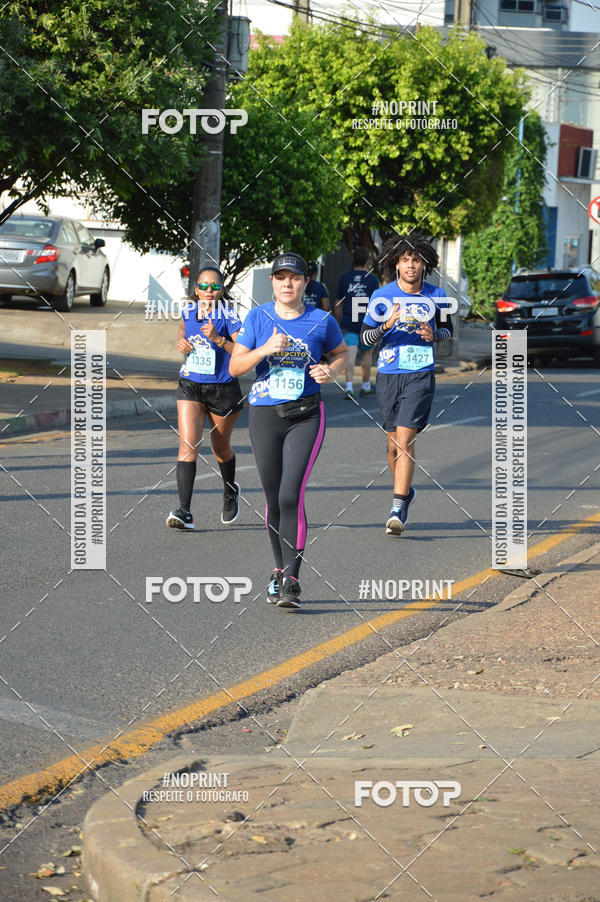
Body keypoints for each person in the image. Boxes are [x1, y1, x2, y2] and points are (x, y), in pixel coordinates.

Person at [229, 252, 347, 610]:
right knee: (272, 497)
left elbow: (341, 353)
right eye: (281, 277)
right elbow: (235, 366)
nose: (287, 284)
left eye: (294, 278)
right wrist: (264, 349)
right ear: (273, 283)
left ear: (305, 282)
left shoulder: (321, 320)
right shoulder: (257, 317)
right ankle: (278, 570)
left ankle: (293, 579)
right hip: (264, 413)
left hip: (306, 414)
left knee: (290, 494)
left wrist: (332, 370)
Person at [360, 233, 453, 536]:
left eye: (416, 260)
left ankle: (398, 505)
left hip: (420, 374)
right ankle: (406, 491)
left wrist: (433, 336)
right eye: (405, 260)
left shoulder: (438, 295)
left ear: (425, 264)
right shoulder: (381, 297)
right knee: (391, 445)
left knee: (405, 440)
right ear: (397, 264)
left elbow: (447, 332)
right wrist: (386, 324)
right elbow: (365, 339)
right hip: (388, 374)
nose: (411, 265)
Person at [166, 266, 243, 530]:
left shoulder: (230, 316)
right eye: (203, 286)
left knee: (219, 447)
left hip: (223, 388)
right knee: (188, 445)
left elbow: (243, 354)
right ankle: (184, 511)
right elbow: (181, 330)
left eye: (214, 286)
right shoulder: (189, 311)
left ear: (221, 290)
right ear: (196, 289)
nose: (208, 291)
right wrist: (180, 342)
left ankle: (231, 489)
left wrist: (219, 339)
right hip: (191, 385)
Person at [333, 246, 379, 399]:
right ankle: (365, 386)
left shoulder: (344, 278)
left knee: (350, 354)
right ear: (366, 261)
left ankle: (349, 388)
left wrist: (339, 323)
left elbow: (338, 304)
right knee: (367, 353)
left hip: (348, 322)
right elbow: (377, 304)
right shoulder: (372, 279)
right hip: (367, 323)